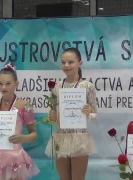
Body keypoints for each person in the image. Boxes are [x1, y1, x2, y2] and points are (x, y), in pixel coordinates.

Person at [45, 47, 98, 180]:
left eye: (71, 62)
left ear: (80, 62)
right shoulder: (56, 86)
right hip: (60, 137)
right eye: (63, 62)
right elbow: (53, 114)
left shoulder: (87, 86)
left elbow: (94, 114)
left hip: (79, 138)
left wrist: (89, 112)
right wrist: (52, 116)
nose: (66, 65)